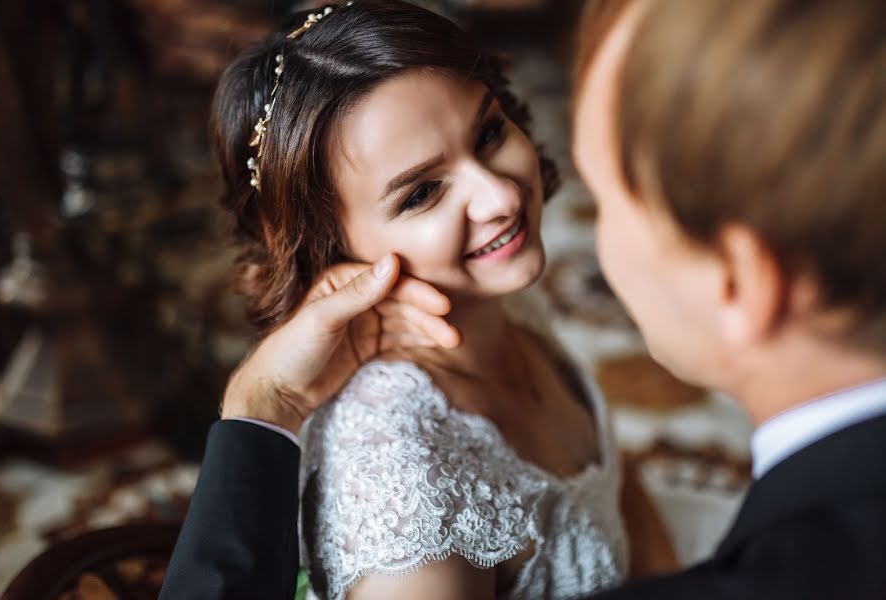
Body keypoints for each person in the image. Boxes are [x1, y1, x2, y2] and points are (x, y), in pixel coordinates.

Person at [162, 0, 886, 598]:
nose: (501, 194)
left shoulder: (513, 303)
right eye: (421, 192)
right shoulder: (400, 479)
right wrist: (265, 410)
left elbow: (619, 487)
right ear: (329, 247)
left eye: (487, 132)